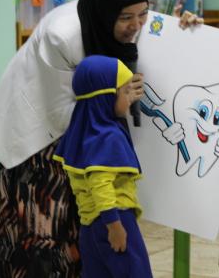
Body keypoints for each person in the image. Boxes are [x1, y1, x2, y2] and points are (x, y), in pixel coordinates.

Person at [0, 0, 202, 277]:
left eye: (144, 14)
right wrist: (121, 97)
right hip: (40, 141)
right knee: (46, 241)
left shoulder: (123, 16)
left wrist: (183, 27)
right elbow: (75, 114)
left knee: (87, 237)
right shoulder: (61, 36)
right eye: (127, 17)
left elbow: (152, 35)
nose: (137, 24)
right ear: (106, 13)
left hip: (88, 138)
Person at [53, 55, 152, 278]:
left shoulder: (82, 133)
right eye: (126, 92)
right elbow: (100, 185)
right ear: (105, 97)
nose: (131, 99)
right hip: (114, 219)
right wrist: (114, 226)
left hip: (88, 227)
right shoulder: (108, 136)